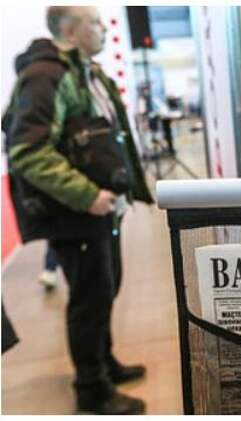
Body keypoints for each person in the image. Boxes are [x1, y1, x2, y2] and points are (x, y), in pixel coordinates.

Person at [3, 6, 154, 414]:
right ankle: (92, 389)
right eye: (95, 23)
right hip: (76, 213)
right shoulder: (46, 76)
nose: (103, 29)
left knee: (105, 289)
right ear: (71, 31)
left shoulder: (89, 73)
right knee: (89, 301)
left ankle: (104, 363)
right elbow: (28, 151)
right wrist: (86, 195)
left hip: (102, 210)